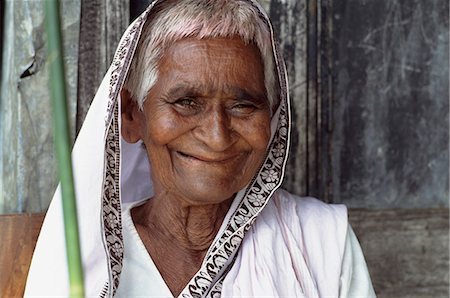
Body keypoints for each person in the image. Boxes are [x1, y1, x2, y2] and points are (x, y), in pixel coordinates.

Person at [25, 0, 376, 297]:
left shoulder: (321, 243)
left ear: (271, 117)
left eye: (243, 106)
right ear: (132, 115)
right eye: (186, 102)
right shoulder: (80, 261)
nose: (217, 136)